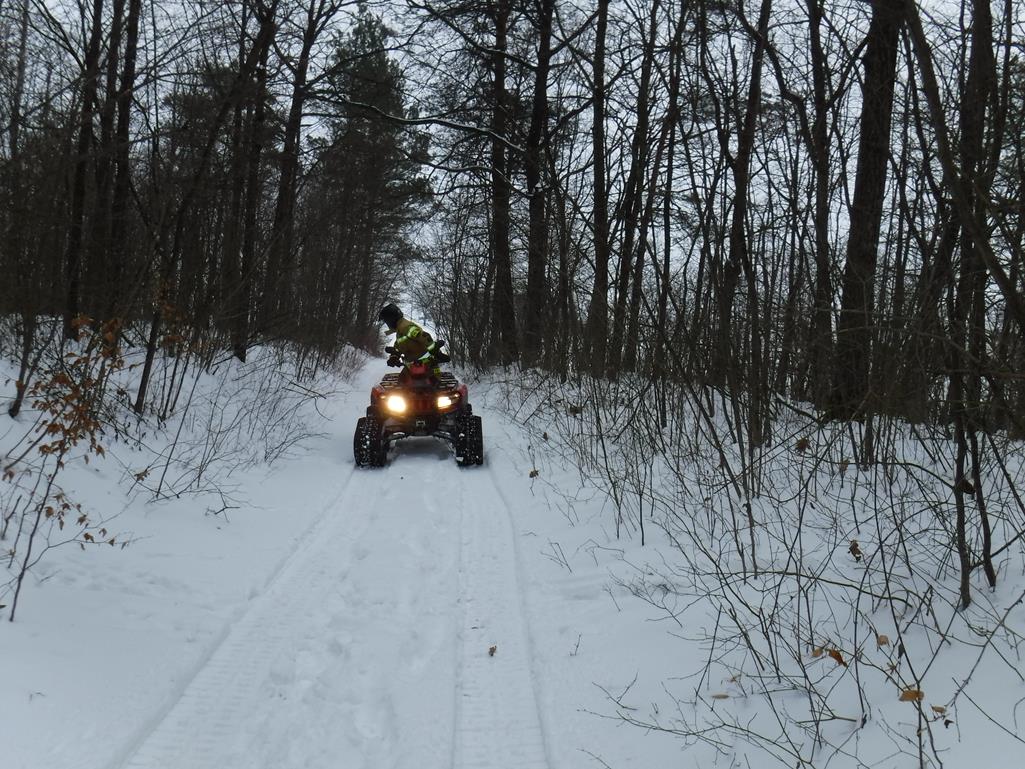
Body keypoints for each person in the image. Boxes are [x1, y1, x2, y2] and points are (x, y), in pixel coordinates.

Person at [378, 303, 450, 372]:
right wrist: (394, 356)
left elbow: (424, 337)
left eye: (386, 321)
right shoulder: (400, 331)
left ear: (391, 319)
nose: (387, 324)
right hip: (412, 367)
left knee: (434, 381)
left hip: (426, 365)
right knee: (402, 381)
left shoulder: (406, 327)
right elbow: (399, 346)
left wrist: (435, 351)